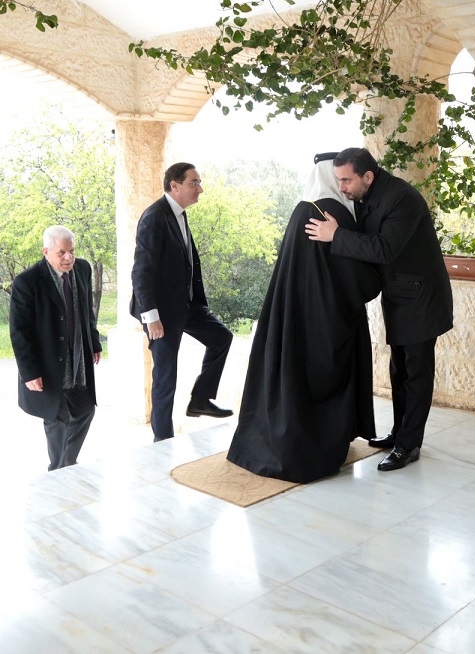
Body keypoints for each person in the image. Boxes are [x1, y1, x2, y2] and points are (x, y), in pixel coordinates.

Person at [227, 153, 381, 482]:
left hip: (294, 316)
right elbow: (358, 279)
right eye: (341, 179)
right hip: (328, 321)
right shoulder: (335, 213)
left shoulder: (302, 209)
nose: (344, 186)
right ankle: (317, 448)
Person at [305, 147, 453, 471]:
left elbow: (384, 249)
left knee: (416, 374)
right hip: (401, 296)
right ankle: (400, 433)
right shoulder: (368, 195)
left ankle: (409, 446)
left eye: (346, 180)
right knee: (399, 371)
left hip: (422, 298)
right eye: (338, 180)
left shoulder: (402, 198)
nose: (342, 187)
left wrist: (336, 235)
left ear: (368, 176)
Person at [130, 162, 234, 442]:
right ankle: (162, 440)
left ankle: (200, 399)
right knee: (165, 377)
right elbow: (141, 271)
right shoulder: (154, 217)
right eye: (194, 183)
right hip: (162, 313)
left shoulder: (179, 214)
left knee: (221, 337)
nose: (200, 188)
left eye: (199, 182)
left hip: (187, 306)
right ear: (174, 186)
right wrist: (151, 317)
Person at [10, 226, 102, 471]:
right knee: (57, 417)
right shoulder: (27, 281)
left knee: (85, 410)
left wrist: (94, 342)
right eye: (62, 252)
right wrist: (29, 372)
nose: (68, 257)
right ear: (46, 252)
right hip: (47, 362)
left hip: (77, 358)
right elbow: (19, 331)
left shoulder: (83, 269)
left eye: (72, 251)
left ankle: (66, 463)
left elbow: (87, 312)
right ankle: (58, 470)